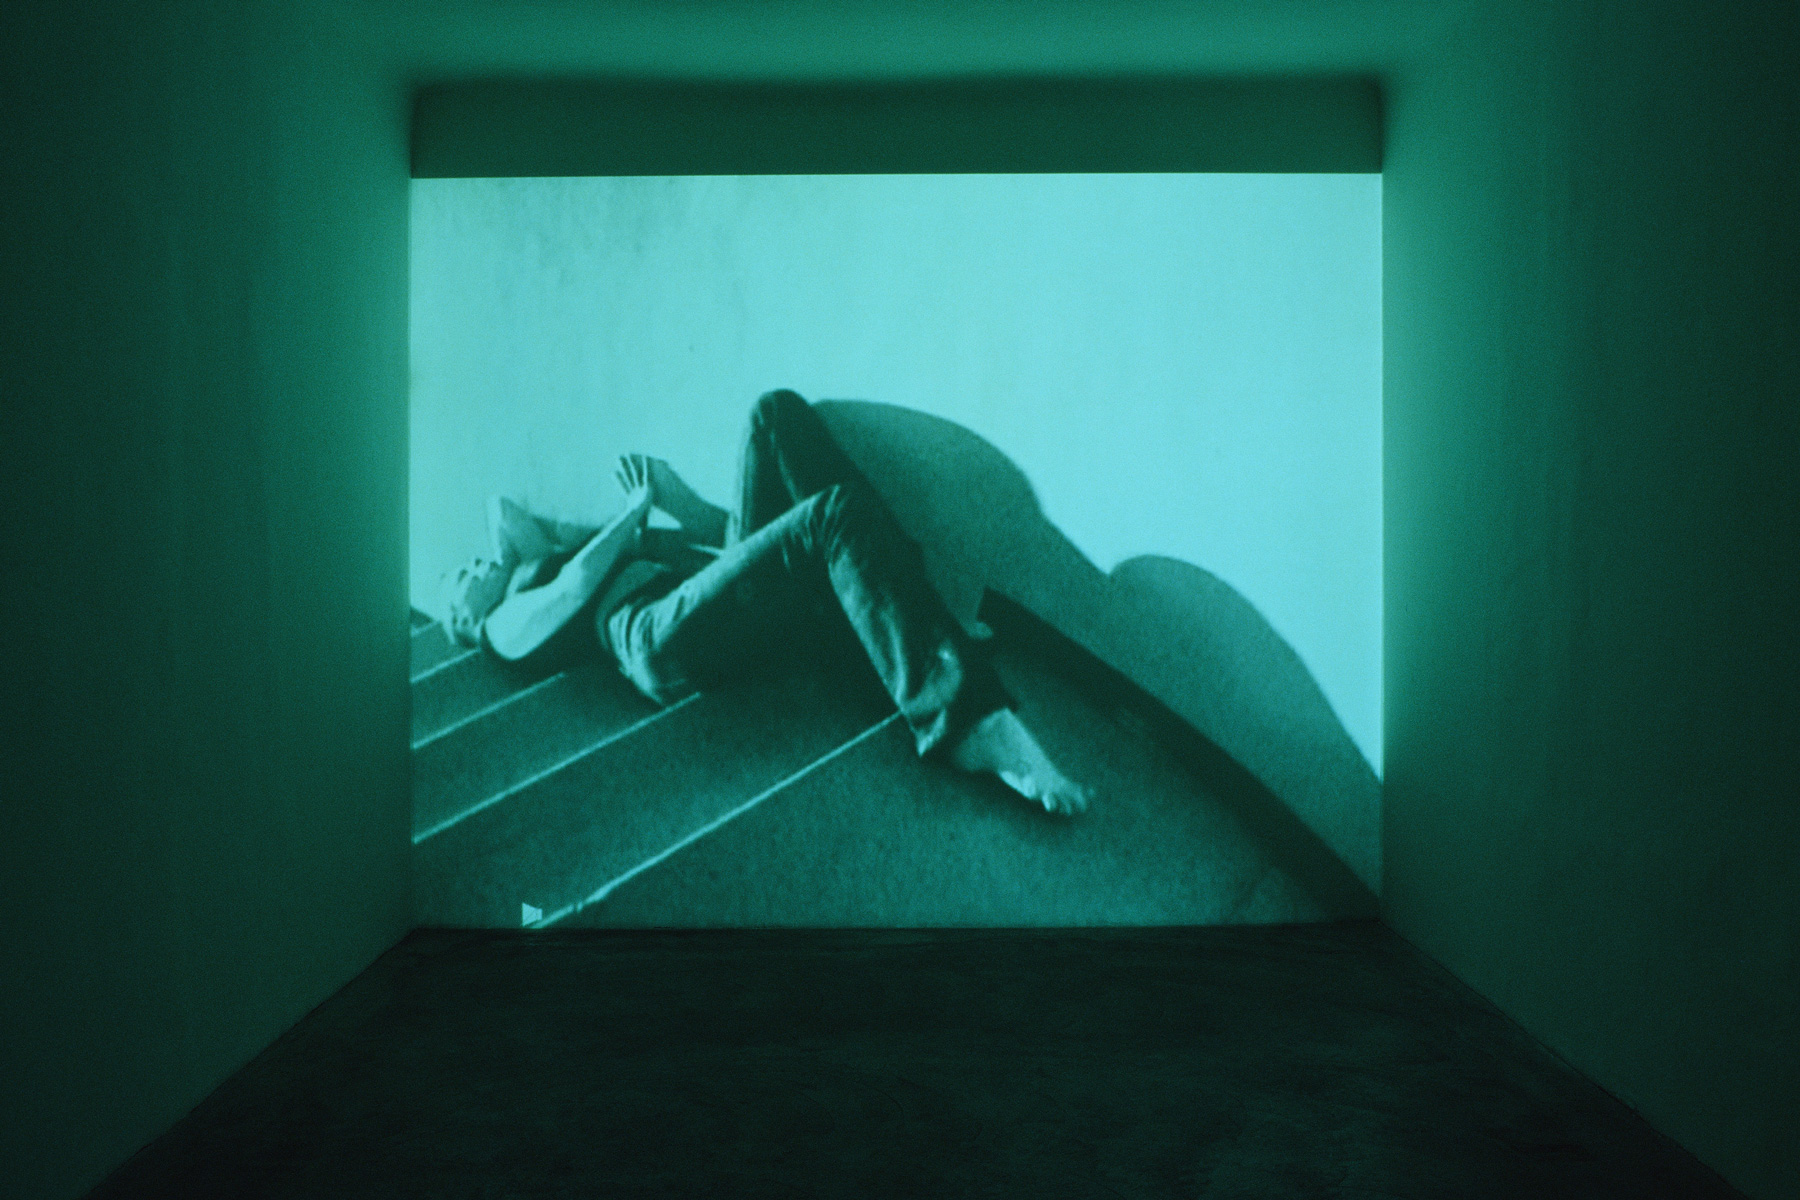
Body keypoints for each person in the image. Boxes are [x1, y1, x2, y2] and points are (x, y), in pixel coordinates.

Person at [441, 390, 1093, 815]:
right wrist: (634, 511)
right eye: (456, 581)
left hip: (692, 595)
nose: (468, 567)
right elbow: (576, 585)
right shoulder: (501, 631)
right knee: (832, 514)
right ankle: (966, 721)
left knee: (774, 415)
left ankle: (919, 619)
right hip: (656, 639)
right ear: (465, 623)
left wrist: (674, 504)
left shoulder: (524, 568)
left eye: (466, 564)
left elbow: (503, 512)